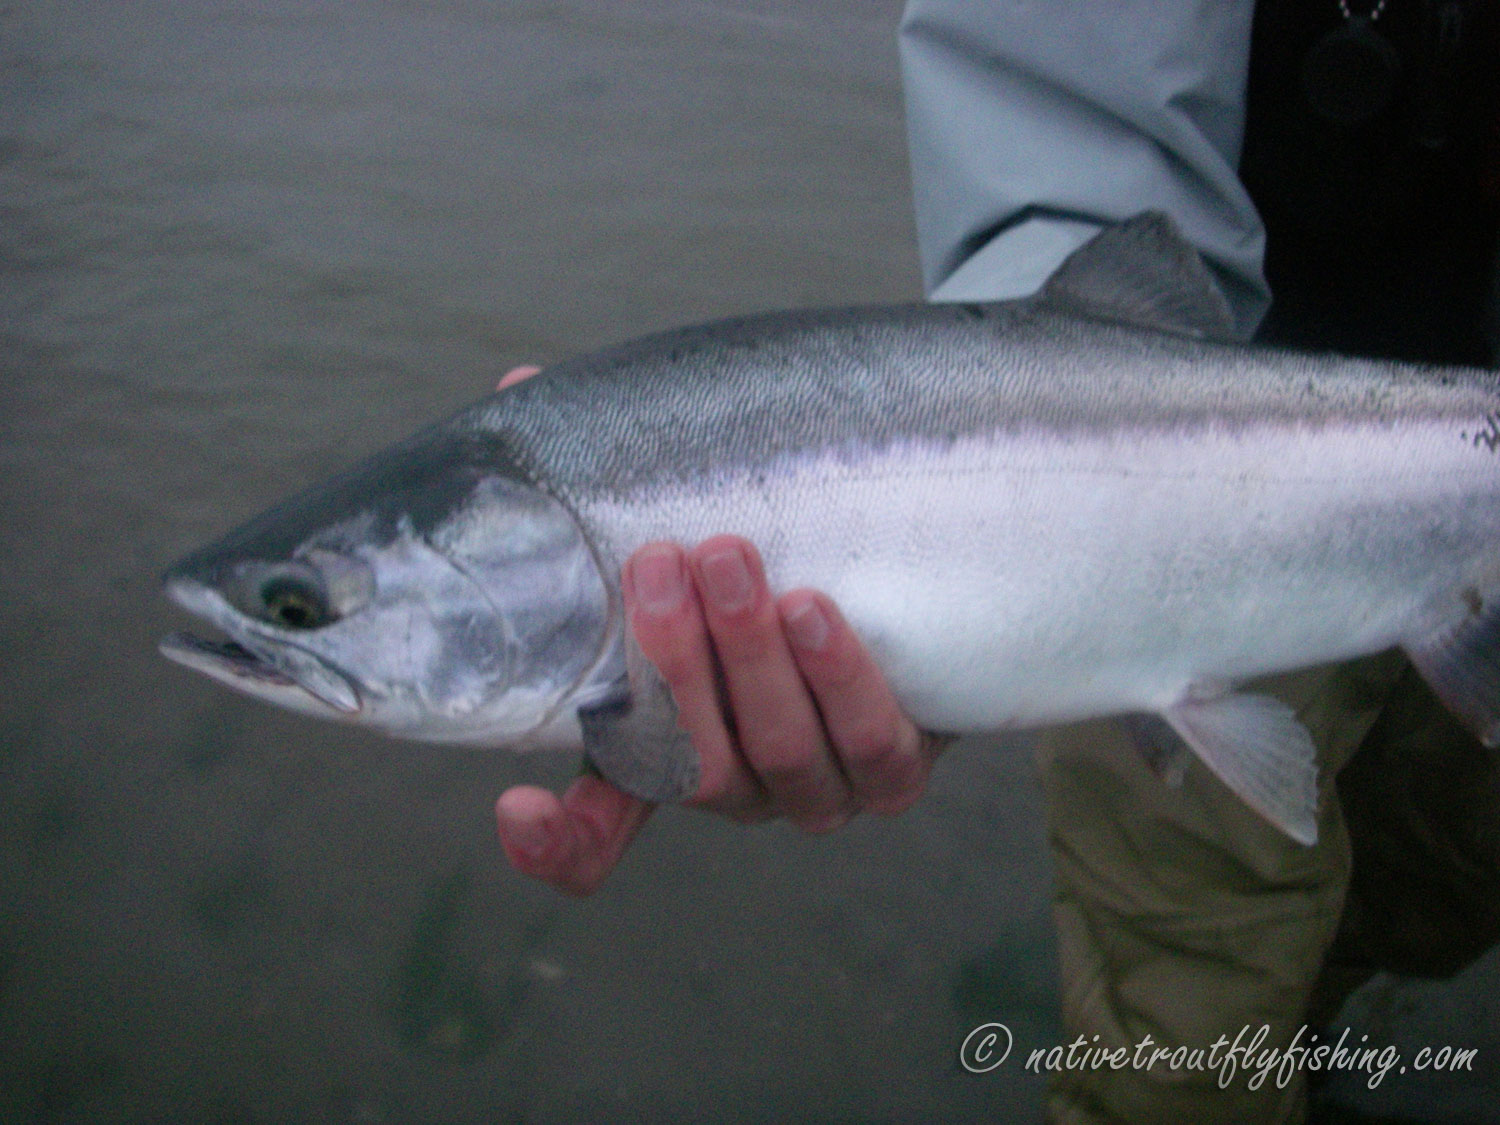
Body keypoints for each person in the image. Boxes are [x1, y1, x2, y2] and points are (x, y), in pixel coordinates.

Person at [496, 3, 1500, 1121]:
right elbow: (1060, 69)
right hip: (1212, 409)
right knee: (1181, 998)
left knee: (1446, 879)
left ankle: (1321, 1032)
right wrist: (1016, 533)